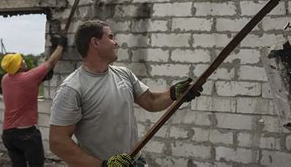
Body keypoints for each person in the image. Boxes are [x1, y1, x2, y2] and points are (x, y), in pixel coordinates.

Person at [49, 20, 202, 167]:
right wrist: (104, 165)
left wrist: (174, 93)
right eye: (110, 37)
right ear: (95, 42)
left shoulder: (124, 74)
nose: (116, 43)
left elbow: (150, 101)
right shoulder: (72, 88)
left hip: (135, 161)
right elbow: (58, 142)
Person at [1, 35, 67, 167]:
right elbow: (50, 63)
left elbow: (27, 87)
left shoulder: (5, 79)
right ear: (19, 66)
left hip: (8, 135)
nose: (24, 61)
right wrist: (61, 45)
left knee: (18, 165)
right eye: (22, 60)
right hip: (26, 134)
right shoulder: (28, 78)